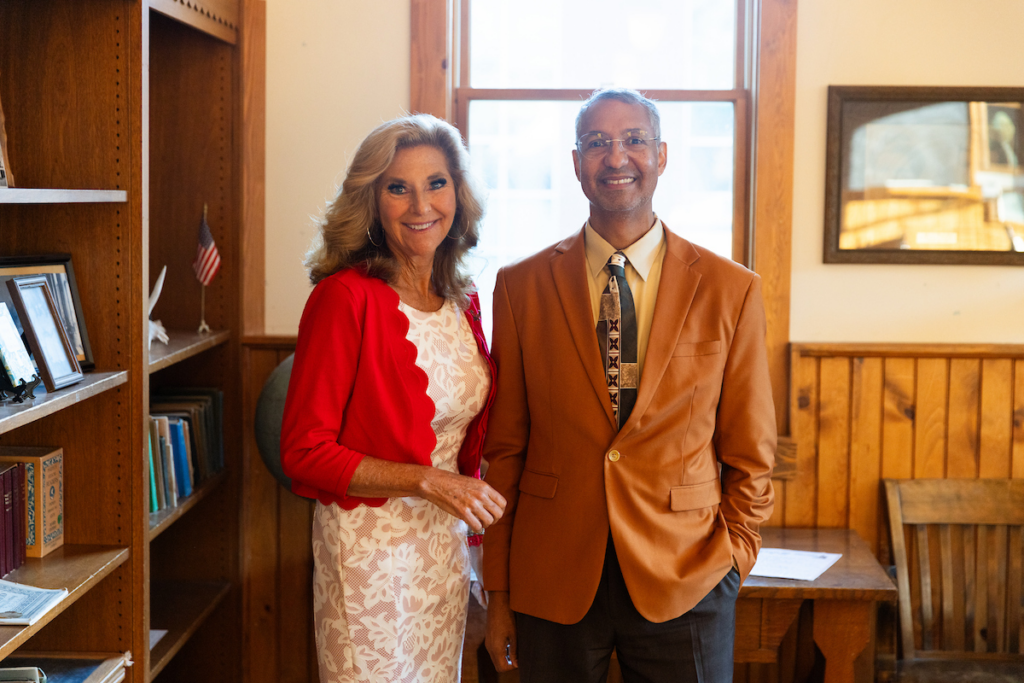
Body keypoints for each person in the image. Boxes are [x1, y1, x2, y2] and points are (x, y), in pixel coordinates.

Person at [482, 88, 776, 682]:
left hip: (687, 574)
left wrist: (733, 557)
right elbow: (505, 449)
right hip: (553, 575)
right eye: (597, 143)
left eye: (634, 140)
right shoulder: (519, 287)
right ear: (576, 163)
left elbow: (750, 447)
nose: (616, 157)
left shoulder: (730, 288)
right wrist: (500, 589)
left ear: (662, 155)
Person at [280, 114, 506, 683]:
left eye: (436, 183)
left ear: (457, 192)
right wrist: (425, 480)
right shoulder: (343, 298)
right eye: (397, 187)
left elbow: (466, 441)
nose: (420, 204)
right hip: (368, 556)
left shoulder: (464, 300)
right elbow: (304, 451)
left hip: (445, 552)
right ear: (373, 201)